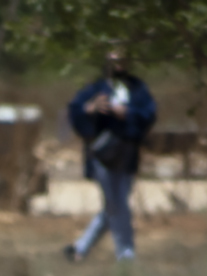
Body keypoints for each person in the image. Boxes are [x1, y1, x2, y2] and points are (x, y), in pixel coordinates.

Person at [64, 50, 156, 263]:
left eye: (122, 61)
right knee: (116, 205)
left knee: (116, 204)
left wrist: (128, 113)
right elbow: (75, 112)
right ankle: (126, 254)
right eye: (114, 62)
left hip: (127, 154)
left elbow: (149, 114)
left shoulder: (137, 88)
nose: (118, 66)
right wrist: (91, 108)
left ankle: (80, 248)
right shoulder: (96, 88)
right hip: (102, 154)